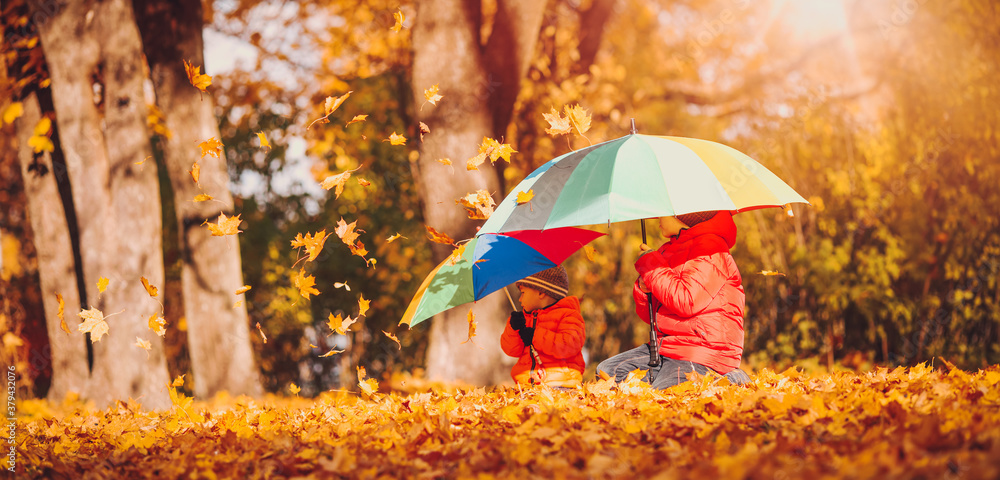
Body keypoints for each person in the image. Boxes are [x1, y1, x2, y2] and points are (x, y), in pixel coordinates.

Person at [597, 210, 751, 389]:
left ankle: (729, 379)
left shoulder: (711, 249)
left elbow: (686, 301)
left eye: (663, 212)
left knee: (667, 394)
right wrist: (643, 288)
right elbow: (651, 317)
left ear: (682, 215)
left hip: (702, 350)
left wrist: (653, 268)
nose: (657, 218)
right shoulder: (668, 250)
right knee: (608, 371)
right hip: (667, 347)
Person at [500, 265, 586, 388]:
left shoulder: (569, 315)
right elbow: (510, 350)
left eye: (523, 293)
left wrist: (535, 336)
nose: (519, 299)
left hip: (561, 384)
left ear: (540, 292)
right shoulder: (525, 319)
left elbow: (569, 345)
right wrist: (513, 328)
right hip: (528, 385)